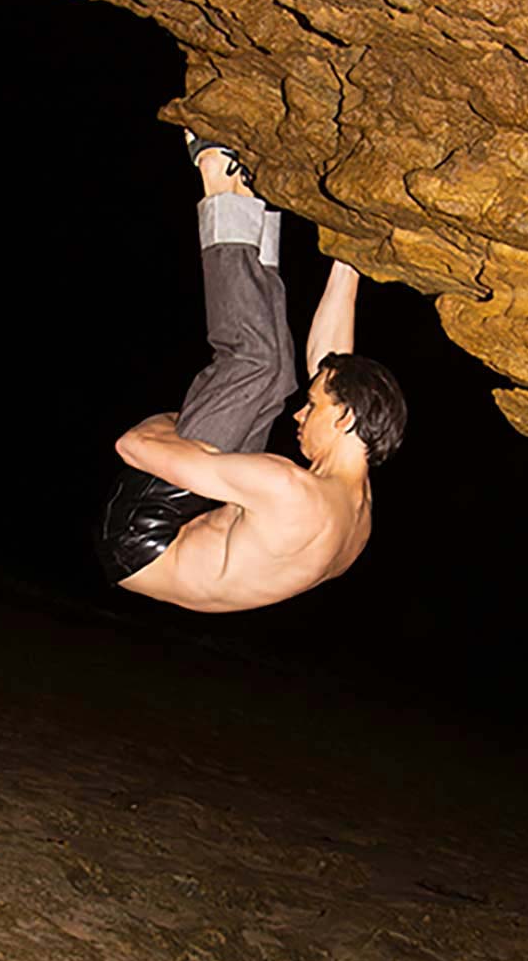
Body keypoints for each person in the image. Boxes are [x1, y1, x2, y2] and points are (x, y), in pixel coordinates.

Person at [99, 132, 407, 614]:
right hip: (175, 544)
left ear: (346, 419)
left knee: (255, 364)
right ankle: (253, 208)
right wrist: (350, 262)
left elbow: (132, 446)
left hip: (142, 535)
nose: (299, 417)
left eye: (314, 408)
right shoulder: (355, 509)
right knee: (280, 374)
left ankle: (217, 181)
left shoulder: (289, 489)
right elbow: (332, 364)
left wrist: (177, 424)